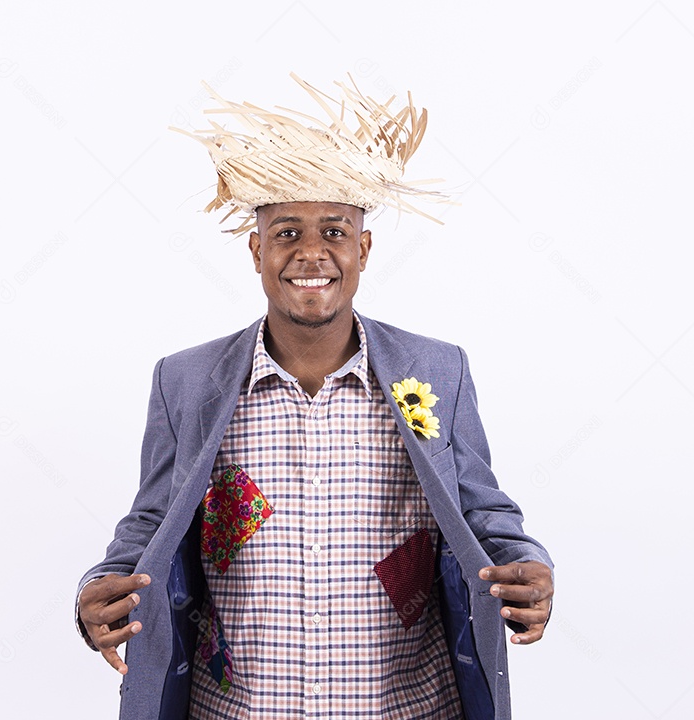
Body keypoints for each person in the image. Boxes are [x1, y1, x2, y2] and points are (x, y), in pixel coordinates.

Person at [75, 74, 554, 720]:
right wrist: (94, 596)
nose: (311, 253)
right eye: (287, 232)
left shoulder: (436, 373)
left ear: (364, 248)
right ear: (255, 250)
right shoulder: (186, 383)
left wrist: (526, 565)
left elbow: (487, 517)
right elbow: (147, 529)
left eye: (333, 231)